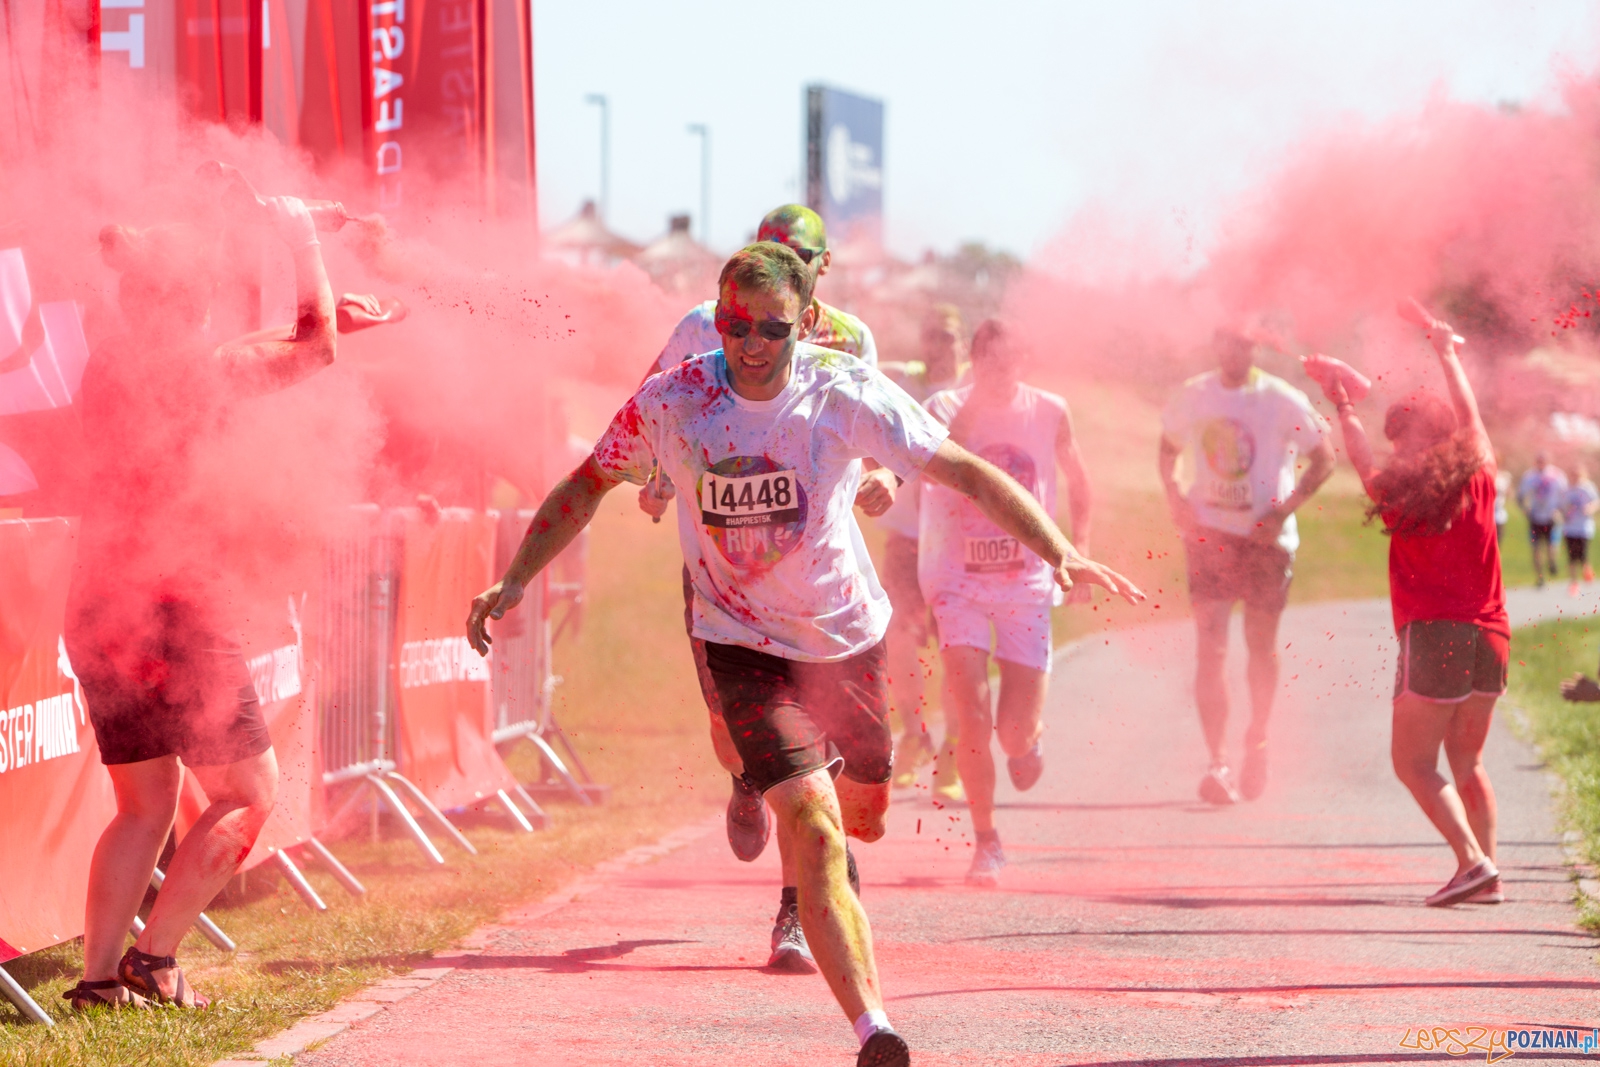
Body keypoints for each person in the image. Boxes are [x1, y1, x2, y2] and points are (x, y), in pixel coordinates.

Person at [468, 243, 1144, 1066]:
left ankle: (826, 829)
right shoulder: (674, 400)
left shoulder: (843, 390)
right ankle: (875, 1028)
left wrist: (1058, 549)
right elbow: (584, 484)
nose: (749, 344)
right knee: (818, 829)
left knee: (864, 814)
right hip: (740, 645)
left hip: (846, 640)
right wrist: (511, 583)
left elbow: (960, 470)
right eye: (732, 325)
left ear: (803, 323)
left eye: (770, 328)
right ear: (715, 320)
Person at [62, 197, 339, 1010]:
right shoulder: (201, 369)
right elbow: (315, 349)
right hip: (173, 607)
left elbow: (237, 354)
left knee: (143, 805)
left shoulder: (109, 362)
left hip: (99, 602)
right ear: (192, 300)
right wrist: (304, 241)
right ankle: (156, 959)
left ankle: (100, 981)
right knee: (251, 793)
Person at [636, 206, 897, 973]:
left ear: (822, 271)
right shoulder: (701, 323)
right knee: (733, 738)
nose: (785, 261)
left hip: (819, 589)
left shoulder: (851, 340)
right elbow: (647, 411)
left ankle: (797, 905)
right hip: (722, 582)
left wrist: (882, 478)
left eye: (800, 255)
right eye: (771, 248)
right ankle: (745, 781)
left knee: (819, 765)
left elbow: (889, 432)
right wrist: (654, 478)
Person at [1316, 314, 1505, 907]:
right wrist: (1447, 352)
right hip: (1493, 635)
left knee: (1413, 764)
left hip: (1435, 638)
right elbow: (1471, 416)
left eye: (1398, 436)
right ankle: (1488, 874)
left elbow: (1360, 459)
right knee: (1468, 761)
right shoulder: (1480, 471)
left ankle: (1472, 862)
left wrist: (1344, 407)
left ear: (1403, 439)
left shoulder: (1399, 495)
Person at [917, 319, 1092, 886]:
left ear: (1025, 361)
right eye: (987, 359)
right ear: (973, 359)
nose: (998, 370)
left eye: (1009, 359)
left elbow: (1078, 480)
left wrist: (1080, 549)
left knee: (1012, 733)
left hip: (1026, 582)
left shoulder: (1049, 411)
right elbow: (918, 464)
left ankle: (1028, 740)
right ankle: (986, 841)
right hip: (957, 579)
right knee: (971, 716)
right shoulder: (944, 408)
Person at [1159, 328, 1335, 804]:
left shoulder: (1281, 399)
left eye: (1242, 342)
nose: (1232, 351)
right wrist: (1176, 498)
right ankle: (1217, 763)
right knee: (1211, 649)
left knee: (1260, 648)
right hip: (1210, 536)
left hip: (1265, 543)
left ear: (1255, 346)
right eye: (1224, 341)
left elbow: (1325, 459)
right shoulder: (1194, 395)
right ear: (1214, 345)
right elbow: (1167, 450)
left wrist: (1280, 513)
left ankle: (1256, 740)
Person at [876, 305, 968, 797]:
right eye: (932, 336)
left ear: (964, 343)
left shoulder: (973, 390)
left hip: (959, 541)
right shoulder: (902, 378)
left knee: (957, 648)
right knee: (900, 637)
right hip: (908, 538)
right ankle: (914, 734)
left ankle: (953, 749)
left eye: (949, 337)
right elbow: (855, 361)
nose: (939, 345)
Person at [1517, 452, 1567, 587]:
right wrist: (1525, 509)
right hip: (1535, 517)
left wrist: (1560, 511)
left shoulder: (1557, 475)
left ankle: (1552, 562)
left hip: (1551, 517)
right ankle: (1540, 577)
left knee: (1552, 546)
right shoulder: (1529, 476)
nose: (1541, 463)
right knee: (1536, 548)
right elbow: (1521, 495)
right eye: (1539, 460)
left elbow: (1564, 494)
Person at [1562, 464, 1598, 595]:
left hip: (1583, 528)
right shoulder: (1567, 489)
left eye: (1577, 474)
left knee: (1582, 555)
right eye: (1572, 474)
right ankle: (1573, 583)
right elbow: (1562, 505)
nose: (1574, 477)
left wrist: (1590, 508)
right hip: (1569, 527)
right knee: (1571, 557)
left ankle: (1587, 570)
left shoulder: (1587, 488)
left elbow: (1596, 501)